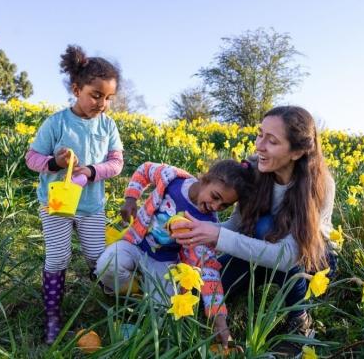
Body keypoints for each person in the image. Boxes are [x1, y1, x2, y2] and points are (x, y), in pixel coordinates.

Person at [172, 105, 337, 339]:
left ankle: (300, 320)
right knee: (200, 301)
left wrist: (216, 236)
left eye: (272, 141)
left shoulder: (319, 185)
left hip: (308, 261)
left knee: (266, 227)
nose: (259, 145)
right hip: (261, 252)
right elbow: (234, 228)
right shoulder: (256, 172)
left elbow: (287, 257)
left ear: (297, 152)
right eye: (260, 134)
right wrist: (196, 231)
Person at [96, 160, 255, 348]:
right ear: (206, 179)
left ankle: (139, 304)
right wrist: (131, 198)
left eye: (223, 206)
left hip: (164, 263)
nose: (215, 206)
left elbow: (208, 269)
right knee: (106, 267)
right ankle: (131, 291)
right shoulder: (172, 178)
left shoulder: (205, 223)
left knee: (164, 310)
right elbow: (145, 169)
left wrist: (219, 318)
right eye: (215, 196)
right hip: (136, 243)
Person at [25, 45, 124, 344]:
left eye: (108, 98)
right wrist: (56, 162)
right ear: (76, 88)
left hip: (92, 205)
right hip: (56, 204)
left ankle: (113, 305)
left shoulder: (107, 125)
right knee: (58, 258)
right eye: (96, 95)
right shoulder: (56, 123)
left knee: (97, 257)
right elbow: (32, 159)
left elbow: (117, 163)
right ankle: (53, 317)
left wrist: (91, 171)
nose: (102, 103)